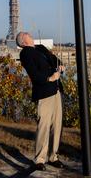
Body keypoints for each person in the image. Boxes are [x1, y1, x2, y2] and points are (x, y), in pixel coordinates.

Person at [16, 31, 64, 171]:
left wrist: (60, 66)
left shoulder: (41, 48)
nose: (30, 34)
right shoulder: (25, 53)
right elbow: (34, 74)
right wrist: (50, 78)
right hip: (44, 93)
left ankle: (53, 157)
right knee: (44, 125)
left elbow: (54, 59)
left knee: (57, 125)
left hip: (56, 90)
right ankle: (39, 159)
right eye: (26, 34)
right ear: (24, 41)